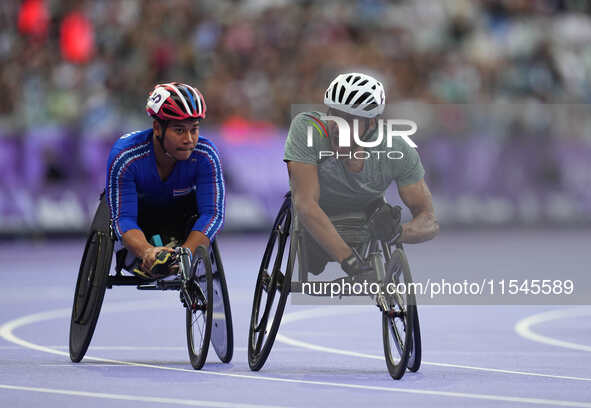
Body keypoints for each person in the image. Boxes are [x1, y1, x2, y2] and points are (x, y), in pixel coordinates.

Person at [284, 72, 438, 276]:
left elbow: (428, 220)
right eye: (334, 115)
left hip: (366, 218)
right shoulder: (307, 130)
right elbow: (305, 203)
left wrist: (398, 232)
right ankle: (320, 250)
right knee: (312, 261)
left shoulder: (396, 148)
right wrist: (349, 260)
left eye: (350, 120)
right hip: (316, 219)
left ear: (371, 125)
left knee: (384, 217)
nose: (339, 126)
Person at [105, 82, 225, 278]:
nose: (189, 139)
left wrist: (185, 253)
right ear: (157, 128)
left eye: (194, 129)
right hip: (140, 219)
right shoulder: (126, 157)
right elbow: (123, 218)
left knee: (204, 254)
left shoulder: (206, 156)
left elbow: (212, 214)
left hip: (181, 221)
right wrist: (147, 251)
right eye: (179, 131)